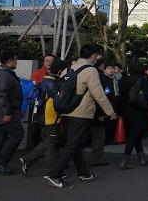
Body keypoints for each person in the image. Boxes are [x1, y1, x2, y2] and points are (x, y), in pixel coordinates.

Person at [46, 44, 116, 188]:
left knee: (75, 143)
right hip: (81, 112)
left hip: (66, 111)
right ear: (93, 56)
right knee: (73, 144)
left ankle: (84, 173)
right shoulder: (91, 70)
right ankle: (54, 174)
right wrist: (110, 112)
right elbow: (98, 93)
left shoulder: (68, 68)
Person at [20, 59, 67, 177]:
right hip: (49, 118)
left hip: (45, 117)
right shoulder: (51, 83)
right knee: (50, 144)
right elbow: (59, 102)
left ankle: (27, 160)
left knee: (48, 142)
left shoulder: (47, 80)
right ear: (60, 71)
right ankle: (50, 172)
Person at [0, 51, 24, 175]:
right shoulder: (5, 75)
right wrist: (6, 112)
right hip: (5, 112)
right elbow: (2, 94)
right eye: (15, 60)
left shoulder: (1, 74)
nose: (16, 62)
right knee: (17, 134)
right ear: (10, 61)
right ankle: (0, 162)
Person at [118, 65, 148, 169]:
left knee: (135, 135)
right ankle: (125, 161)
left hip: (126, 111)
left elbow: (119, 96)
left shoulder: (123, 80)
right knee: (134, 136)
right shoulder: (142, 81)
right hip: (139, 111)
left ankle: (142, 158)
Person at [87, 57, 117, 167]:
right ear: (103, 67)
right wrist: (106, 112)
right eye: (108, 67)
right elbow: (101, 96)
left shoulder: (92, 74)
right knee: (98, 136)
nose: (111, 70)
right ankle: (96, 159)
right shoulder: (101, 78)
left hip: (89, 111)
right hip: (98, 111)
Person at [28, 54, 56, 151]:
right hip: (40, 105)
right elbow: (33, 87)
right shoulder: (38, 73)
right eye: (46, 61)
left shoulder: (56, 73)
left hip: (51, 107)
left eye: (51, 61)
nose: (48, 63)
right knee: (38, 129)